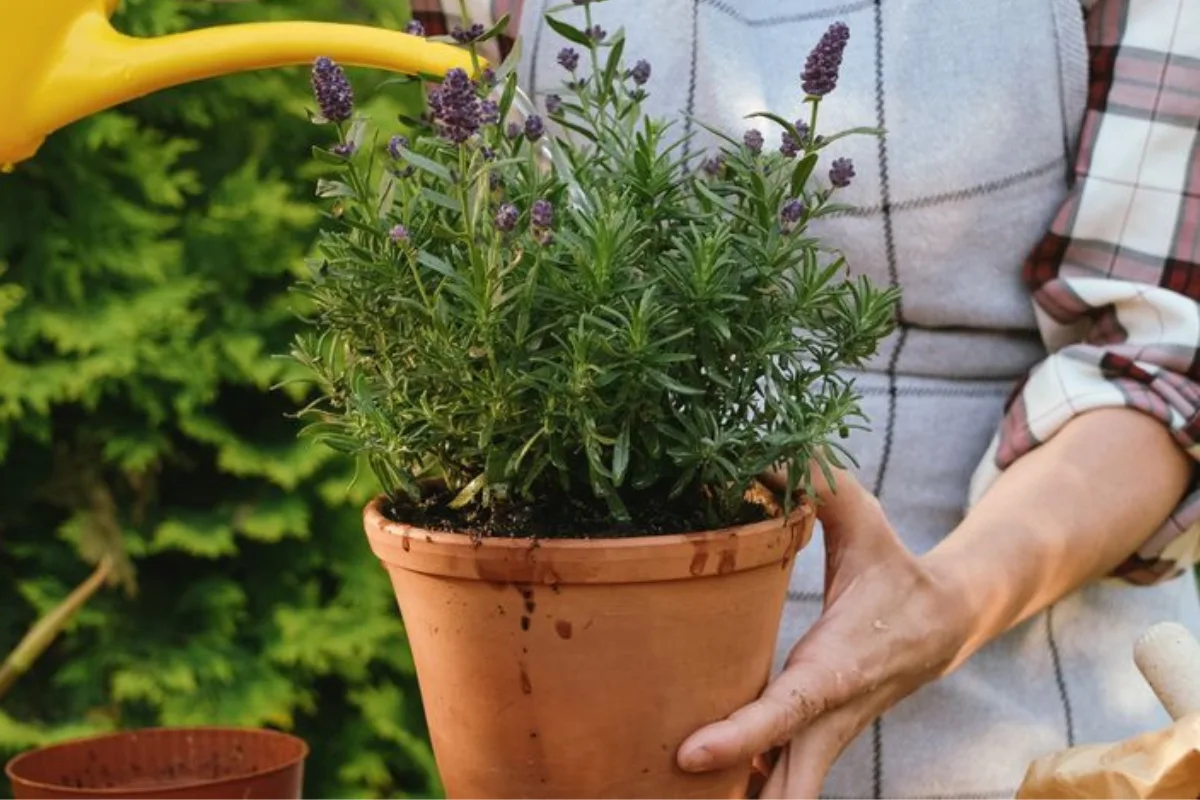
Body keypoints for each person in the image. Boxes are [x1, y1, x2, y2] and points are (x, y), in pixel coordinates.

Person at [413, 1, 1200, 796]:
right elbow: (495, 276)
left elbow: (1155, 363)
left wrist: (937, 608)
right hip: (585, 696)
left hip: (1013, 699)